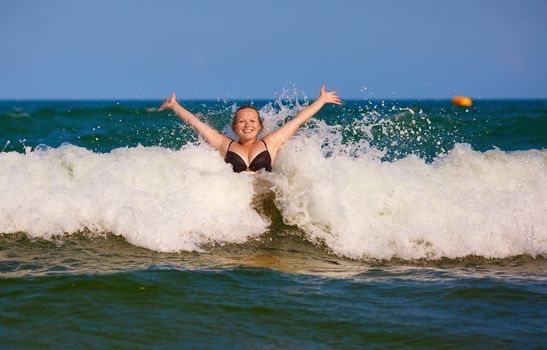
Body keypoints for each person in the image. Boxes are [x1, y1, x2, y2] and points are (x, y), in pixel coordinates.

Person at [158, 85, 341, 173]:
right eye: (242, 121)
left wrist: (321, 100)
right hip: (239, 207)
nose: (248, 125)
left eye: (252, 121)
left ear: (260, 126)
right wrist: (174, 106)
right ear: (234, 127)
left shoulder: (270, 143)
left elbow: (298, 120)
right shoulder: (225, 144)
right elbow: (197, 124)